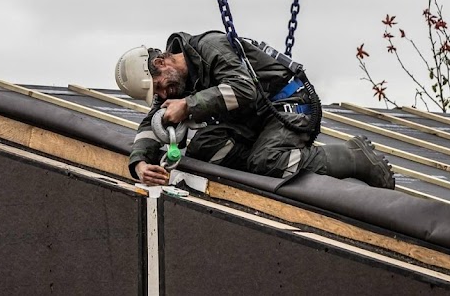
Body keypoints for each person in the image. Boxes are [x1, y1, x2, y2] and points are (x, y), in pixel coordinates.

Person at [115, 31, 395, 189]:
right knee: (203, 144)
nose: (162, 95)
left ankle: (353, 157)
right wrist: (139, 164)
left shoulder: (210, 48)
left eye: (159, 87)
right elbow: (151, 124)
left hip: (288, 104)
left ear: (161, 63)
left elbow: (245, 89)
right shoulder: (180, 82)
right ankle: (263, 162)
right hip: (256, 120)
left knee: (266, 162)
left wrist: (189, 105)